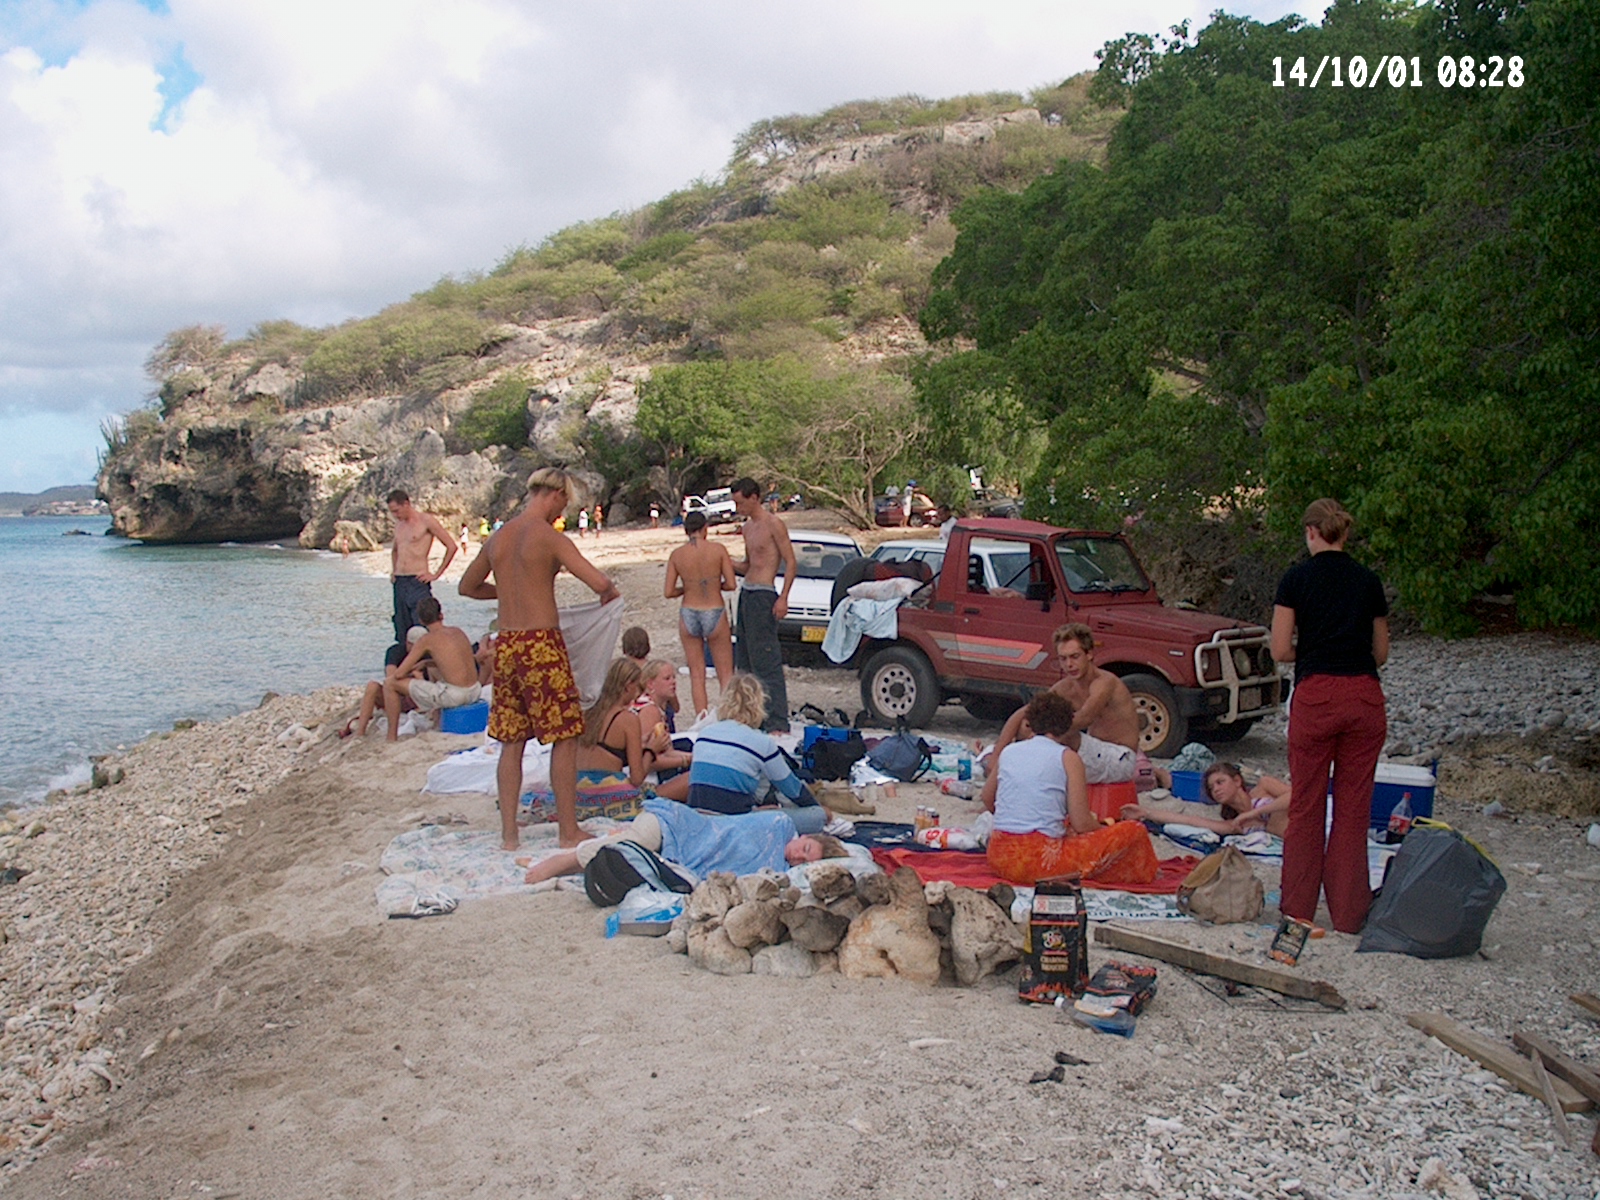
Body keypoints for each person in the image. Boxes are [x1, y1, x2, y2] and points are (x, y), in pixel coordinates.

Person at [459, 467, 620, 852]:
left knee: (511, 741)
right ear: (556, 494)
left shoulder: (499, 538)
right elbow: (598, 582)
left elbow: (467, 586)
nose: (562, 510)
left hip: (508, 644)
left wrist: (507, 591)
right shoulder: (549, 537)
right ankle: (568, 831)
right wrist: (607, 594)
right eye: (564, 502)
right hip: (541, 645)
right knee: (564, 736)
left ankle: (509, 835)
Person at [1273, 498, 1389, 934]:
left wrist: (1316, 651)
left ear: (1310, 533)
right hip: (1363, 695)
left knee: (1306, 805)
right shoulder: (1368, 580)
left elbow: (1281, 649)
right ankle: (1349, 913)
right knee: (1353, 809)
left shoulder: (1297, 579)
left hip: (1317, 694)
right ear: (1344, 533)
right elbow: (1380, 653)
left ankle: (1298, 910)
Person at [986, 691, 1158, 887]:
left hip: (999, 856)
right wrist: (1104, 830)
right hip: (1039, 862)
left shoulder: (1009, 752)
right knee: (1134, 830)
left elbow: (987, 798)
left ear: (1030, 723)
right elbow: (1082, 823)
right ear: (1067, 726)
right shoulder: (1067, 757)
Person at [979, 623, 1143, 810]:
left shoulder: (1104, 683)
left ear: (1089, 654)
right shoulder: (1066, 686)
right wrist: (999, 752)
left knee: (1060, 735)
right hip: (1093, 754)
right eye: (1063, 659)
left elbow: (1084, 718)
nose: (1069, 664)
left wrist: (1042, 734)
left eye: (1075, 657)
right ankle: (1001, 797)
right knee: (1028, 727)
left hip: (1121, 759)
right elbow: (1024, 712)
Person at [520, 796, 850, 885]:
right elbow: (729, 831)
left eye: (804, 862)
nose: (797, 856)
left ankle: (574, 859)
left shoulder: (777, 872)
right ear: (804, 837)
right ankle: (561, 862)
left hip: (677, 857)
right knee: (631, 845)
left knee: (626, 861)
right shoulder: (779, 826)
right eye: (805, 848)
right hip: (676, 828)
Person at [681, 674, 829, 833]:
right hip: (735, 824)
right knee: (818, 816)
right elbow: (792, 789)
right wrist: (815, 808)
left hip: (698, 819)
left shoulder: (705, 734)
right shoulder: (761, 742)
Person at [730, 477, 796, 733]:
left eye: (741, 502)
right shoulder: (747, 528)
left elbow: (790, 561)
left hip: (764, 594)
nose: (738, 508)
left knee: (766, 660)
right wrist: (724, 561)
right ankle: (750, 716)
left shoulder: (773, 524)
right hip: (747, 592)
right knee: (744, 659)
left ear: (754, 497)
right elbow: (748, 565)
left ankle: (778, 720)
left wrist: (784, 597)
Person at [380, 597, 482, 742]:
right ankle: (436, 720)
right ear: (441, 615)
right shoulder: (457, 632)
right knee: (442, 678)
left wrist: (411, 673)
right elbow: (459, 661)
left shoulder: (426, 640)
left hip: (455, 696)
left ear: (421, 621)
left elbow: (399, 674)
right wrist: (428, 663)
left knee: (390, 684)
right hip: (475, 690)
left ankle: (391, 737)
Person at [665, 510, 737, 716]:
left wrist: (686, 588)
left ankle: (701, 719)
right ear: (705, 529)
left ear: (686, 531)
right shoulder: (718, 550)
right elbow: (731, 584)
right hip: (714, 609)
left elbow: (668, 591)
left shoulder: (677, 555)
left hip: (689, 611)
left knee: (697, 674)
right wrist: (715, 585)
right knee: (725, 673)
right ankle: (726, 717)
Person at [1121, 762, 1291, 837]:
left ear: (1237, 781)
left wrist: (1257, 812)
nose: (1216, 789)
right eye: (1211, 787)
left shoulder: (1264, 786)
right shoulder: (1235, 824)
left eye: (1220, 782)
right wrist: (1146, 812)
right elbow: (1191, 820)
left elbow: (1299, 796)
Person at [386, 489, 458, 650]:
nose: (395, 515)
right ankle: (409, 668)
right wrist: (393, 571)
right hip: (400, 582)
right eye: (392, 512)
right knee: (402, 627)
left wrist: (436, 574)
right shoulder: (399, 526)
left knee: (423, 626)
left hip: (417, 580)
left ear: (406, 504)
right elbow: (395, 550)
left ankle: (430, 666)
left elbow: (451, 546)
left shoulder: (426, 521)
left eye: (397, 511)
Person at [632, 659, 693, 780]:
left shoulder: (651, 706)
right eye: (667, 679)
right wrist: (685, 760)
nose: (673, 682)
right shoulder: (649, 711)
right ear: (650, 684)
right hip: (646, 778)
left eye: (674, 677)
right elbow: (648, 760)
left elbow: (668, 751)